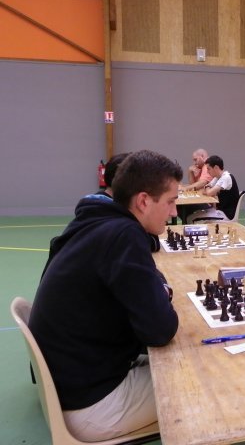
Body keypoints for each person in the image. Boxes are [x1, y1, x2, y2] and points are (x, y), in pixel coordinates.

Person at [29, 150, 181, 442]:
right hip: (92, 405)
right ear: (143, 201)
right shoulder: (125, 235)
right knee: (205, 380)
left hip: (73, 384)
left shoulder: (96, 219)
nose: (174, 212)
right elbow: (160, 330)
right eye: (170, 201)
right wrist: (161, 292)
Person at [201, 155, 240, 220]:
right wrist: (208, 188)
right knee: (193, 216)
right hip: (221, 212)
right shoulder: (217, 177)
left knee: (193, 218)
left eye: (208, 169)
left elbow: (209, 192)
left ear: (216, 167)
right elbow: (205, 190)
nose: (207, 171)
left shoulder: (226, 177)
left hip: (227, 215)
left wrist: (208, 187)